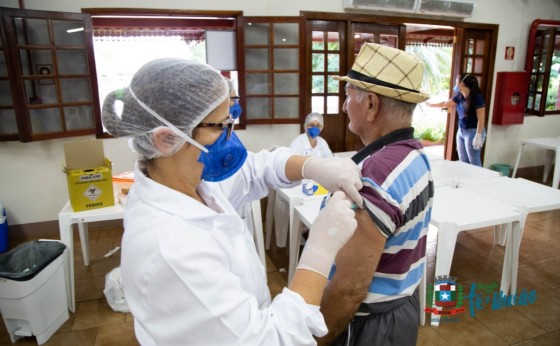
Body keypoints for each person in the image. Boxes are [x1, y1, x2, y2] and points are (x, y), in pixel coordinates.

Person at [101, 57, 365, 345]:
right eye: (220, 126)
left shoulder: (188, 180)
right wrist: (319, 252)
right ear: (166, 139)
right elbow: (269, 340)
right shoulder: (172, 249)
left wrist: (312, 166)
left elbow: (257, 168)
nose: (230, 137)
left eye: (232, 121)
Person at [316, 43, 434, 345]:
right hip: (401, 308)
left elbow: (350, 289)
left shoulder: (376, 174)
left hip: (368, 325)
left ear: (371, 104)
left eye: (348, 96)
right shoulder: (415, 155)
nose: (344, 106)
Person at [427, 73, 487, 166]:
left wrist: (478, 135)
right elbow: (446, 103)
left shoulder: (477, 98)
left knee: (474, 161)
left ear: (461, 84)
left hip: (473, 132)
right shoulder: (459, 96)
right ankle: (466, 179)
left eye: (456, 83)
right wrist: (430, 105)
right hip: (462, 131)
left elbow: (481, 119)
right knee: (463, 160)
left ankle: (479, 180)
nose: (455, 86)